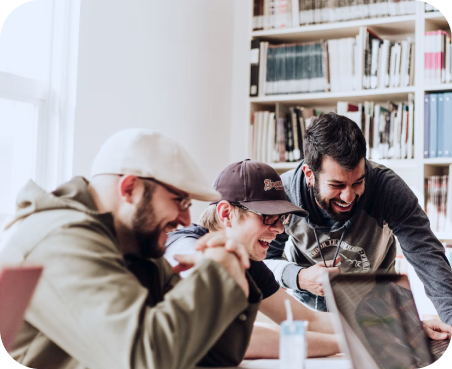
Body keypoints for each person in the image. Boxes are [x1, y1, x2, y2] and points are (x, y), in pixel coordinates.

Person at [0, 129, 262, 369]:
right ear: (129, 188)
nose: (185, 219)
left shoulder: (135, 247)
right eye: (179, 200)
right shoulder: (60, 241)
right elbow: (144, 360)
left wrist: (232, 272)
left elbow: (215, 355)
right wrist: (216, 274)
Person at [265, 112, 452, 326]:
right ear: (309, 174)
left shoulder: (388, 189)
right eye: (337, 185)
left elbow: (428, 257)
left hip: (380, 314)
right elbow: (264, 260)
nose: (349, 197)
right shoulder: (283, 194)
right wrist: (299, 277)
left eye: (358, 182)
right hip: (310, 317)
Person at [165, 159, 342, 358]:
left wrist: (371, 326)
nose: (279, 229)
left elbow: (306, 320)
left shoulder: (248, 262)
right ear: (226, 213)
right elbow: (230, 336)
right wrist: (345, 344)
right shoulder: (184, 247)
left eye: (282, 218)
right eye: (268, 217)